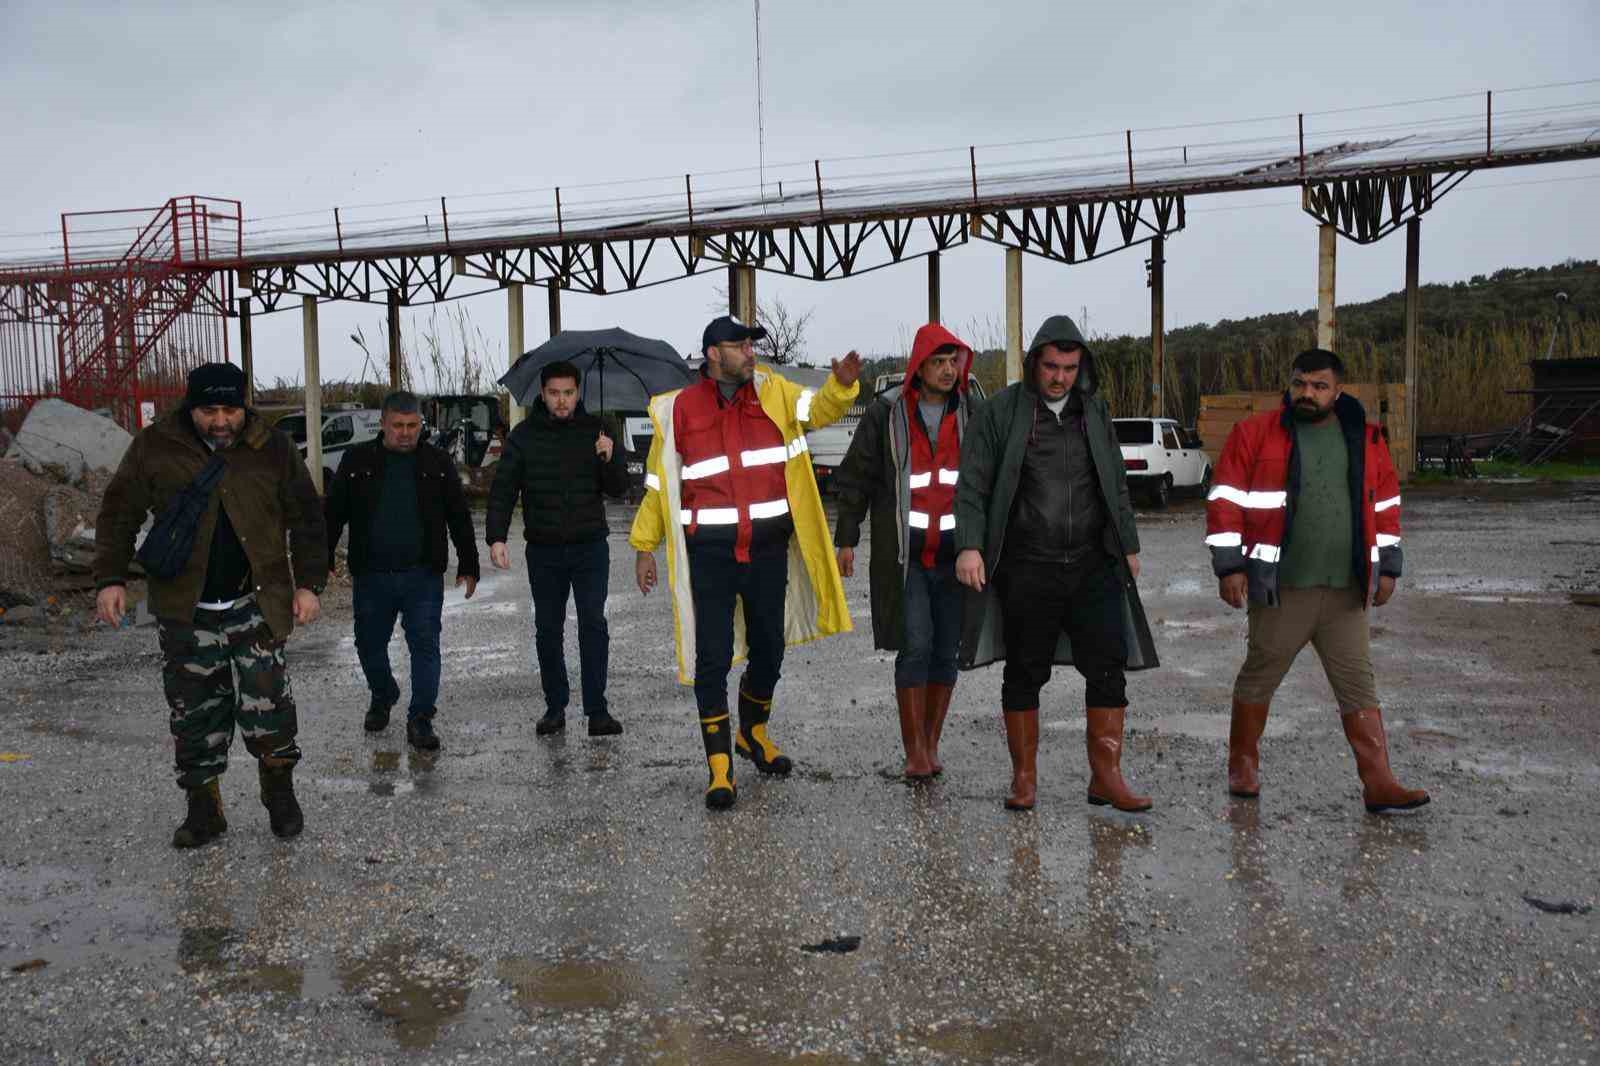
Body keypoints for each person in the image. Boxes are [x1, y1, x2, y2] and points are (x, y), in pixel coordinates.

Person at [631, 315, 861, 809]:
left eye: (751, 346)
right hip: (709, 555)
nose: (751, 353)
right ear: (713, 354)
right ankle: (720, 768)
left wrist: (842, 387)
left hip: (767, 550)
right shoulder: (677, 411)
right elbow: (658, 483)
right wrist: (643, 545)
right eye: (740, 346)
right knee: (710, 659)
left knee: (770, 649)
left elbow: (818, 408)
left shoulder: (775, 391)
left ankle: (752, 733)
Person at [94, 362, 328, 847]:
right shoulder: (156, 446)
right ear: (190, 406)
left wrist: (309, 584)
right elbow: (118, 512)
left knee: (270, 710)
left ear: (243, 406)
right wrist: (110, 579)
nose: (220, 421)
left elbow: (306, 516)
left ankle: (279, 797)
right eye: (208, 411)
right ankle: (204, 811)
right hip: (186, 609)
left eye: (230, 410)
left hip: (256, 604)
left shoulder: (272, 447)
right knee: (193, 715)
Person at [1207, 348, 1428, 813]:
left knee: (1358, 686)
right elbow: (1225, 498)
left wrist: (1389, 566)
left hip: (1346, 591)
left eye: (1319, 385)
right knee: (1259, 677)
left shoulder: (1365, 439)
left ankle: (1379, 781)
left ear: (1337, 390)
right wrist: (1229, 566)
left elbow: (1385, 505)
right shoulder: (1254, 433)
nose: (1308, 393)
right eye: (1300, 384)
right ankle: (1242, 763)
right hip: (1283, 588)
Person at [954, 315, 1159, 813]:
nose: (1060, 377)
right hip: (1028, 566)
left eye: (1069, 368)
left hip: (1093, 564)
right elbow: (973, 486)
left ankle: (1106, 777)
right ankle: (1024, 779)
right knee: (1025, 672)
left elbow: (1115, 485)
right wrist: (969, 545)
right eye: (1051, 366)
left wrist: (1128, 546)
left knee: (1108, 670)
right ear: (1033, 363)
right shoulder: (1002, 412)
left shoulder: (1095, 411)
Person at [833, 323, 977, 780]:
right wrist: (847, 537)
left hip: (958, 556)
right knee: (914, 647)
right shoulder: (886, 413)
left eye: (953, 361)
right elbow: (855, 477)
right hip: (906, 558)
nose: (948, 370)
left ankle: (931, 744)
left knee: (947, 653)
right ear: (920, 366)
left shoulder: (974, 411)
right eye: (938, 362)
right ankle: (914, 751)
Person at [324, 390, 480, 752]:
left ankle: (421, 718)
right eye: (398, 426)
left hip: (422, 575)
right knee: (368, 645)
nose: (406, 433)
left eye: (413, 426)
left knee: (425, 645)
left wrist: (469, 564)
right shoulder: (356, 460)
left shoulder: (438, 462)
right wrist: (323, 558)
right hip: (371, 575)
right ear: (383, 424)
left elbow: (459, 517)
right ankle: (384, 693)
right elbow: (332, 514)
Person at [487, 360, 629, 737]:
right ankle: (555, 707)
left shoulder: (598, 430)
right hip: (545, 550)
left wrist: (610, 455)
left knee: (593, 625)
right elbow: (504, 489)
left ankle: (598, 711)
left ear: (578, 392)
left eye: (568, 393)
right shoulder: (524, 435)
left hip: (590, 548)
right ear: (543, 393)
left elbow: (618, 489)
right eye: (554, 393)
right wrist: (496, 537)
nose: (562, 401)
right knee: (547, 629)